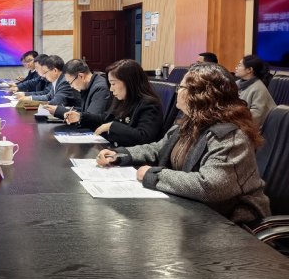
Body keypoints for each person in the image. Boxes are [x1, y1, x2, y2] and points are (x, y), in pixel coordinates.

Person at [96, 63, 270, 224]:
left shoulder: (229, 136)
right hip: (194, 212)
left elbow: (211, 186)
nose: (177, 91)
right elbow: (158, 149)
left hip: (232, 225)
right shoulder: (191, 122)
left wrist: (153, 175)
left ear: (200, 95)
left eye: (181, 87)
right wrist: (121, 155)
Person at [72, 59, 163, 147]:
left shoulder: (149, 104)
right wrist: (81, 117)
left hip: (130, 155)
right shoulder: (122, 99)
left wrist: (112, 126)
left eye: (113, 84)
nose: (111, 89)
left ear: (129, 82)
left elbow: (144, 137)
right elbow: (105, 118)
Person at [234, 54, 276, 127]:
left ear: (249, 70)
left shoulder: (259, 89)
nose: (236, 67)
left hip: (256, 128)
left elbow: (256, 117)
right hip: (240, 122)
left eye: (239, 65)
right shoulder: (237, 84)